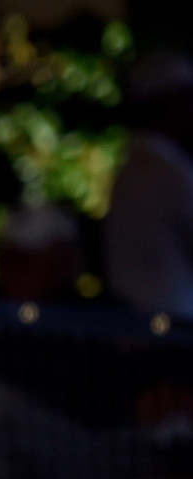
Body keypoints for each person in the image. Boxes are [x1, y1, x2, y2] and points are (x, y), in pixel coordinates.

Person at [106, 51, 193, 318]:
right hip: (170, 329)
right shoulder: (165, 171)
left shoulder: (133, 167)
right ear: (167, 104)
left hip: (142, 323)